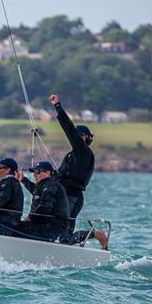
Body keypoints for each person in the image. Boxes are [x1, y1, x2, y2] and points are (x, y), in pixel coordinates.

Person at [48, 94, 106, 248]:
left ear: (87, 138)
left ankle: (96, 234)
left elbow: (69, 129)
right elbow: (61, 176)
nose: (79, 137)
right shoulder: (73, 154)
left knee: (64, 239)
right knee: (54, 230)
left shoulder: (84, 152)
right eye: (78, 134)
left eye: (82, 135)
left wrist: (57, 106)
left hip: (73, 197)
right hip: (63, 194)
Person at [14, 162, 70, 242]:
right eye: (34, 172)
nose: (35, 175)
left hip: (50, 228)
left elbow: (45, 207)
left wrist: (30, 217)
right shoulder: (44, 185)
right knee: (17, 226)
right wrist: (22, 179)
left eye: (38, 172)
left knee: (15, 228)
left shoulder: (51, 185)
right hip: (43, 226)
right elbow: (35, 191)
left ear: (48, 173)